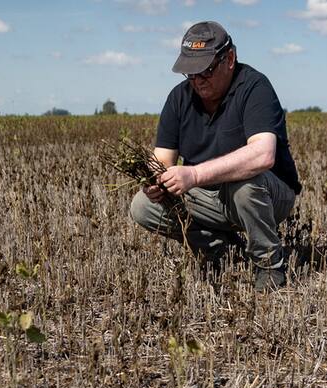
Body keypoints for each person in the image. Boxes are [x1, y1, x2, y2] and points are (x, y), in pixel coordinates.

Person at [129, 21, 301, 291]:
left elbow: (263, 155)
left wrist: (195, 174)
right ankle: (219, 248)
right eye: (191, 72)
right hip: (208, 196)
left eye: (206, 70)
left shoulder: (255, 87)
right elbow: (162, 158)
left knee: (245, 184)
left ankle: (269, 265)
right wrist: (154, 180)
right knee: (143, 206)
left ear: (229, 59)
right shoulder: (179, 98)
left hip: (267, 195)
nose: (198, 80)